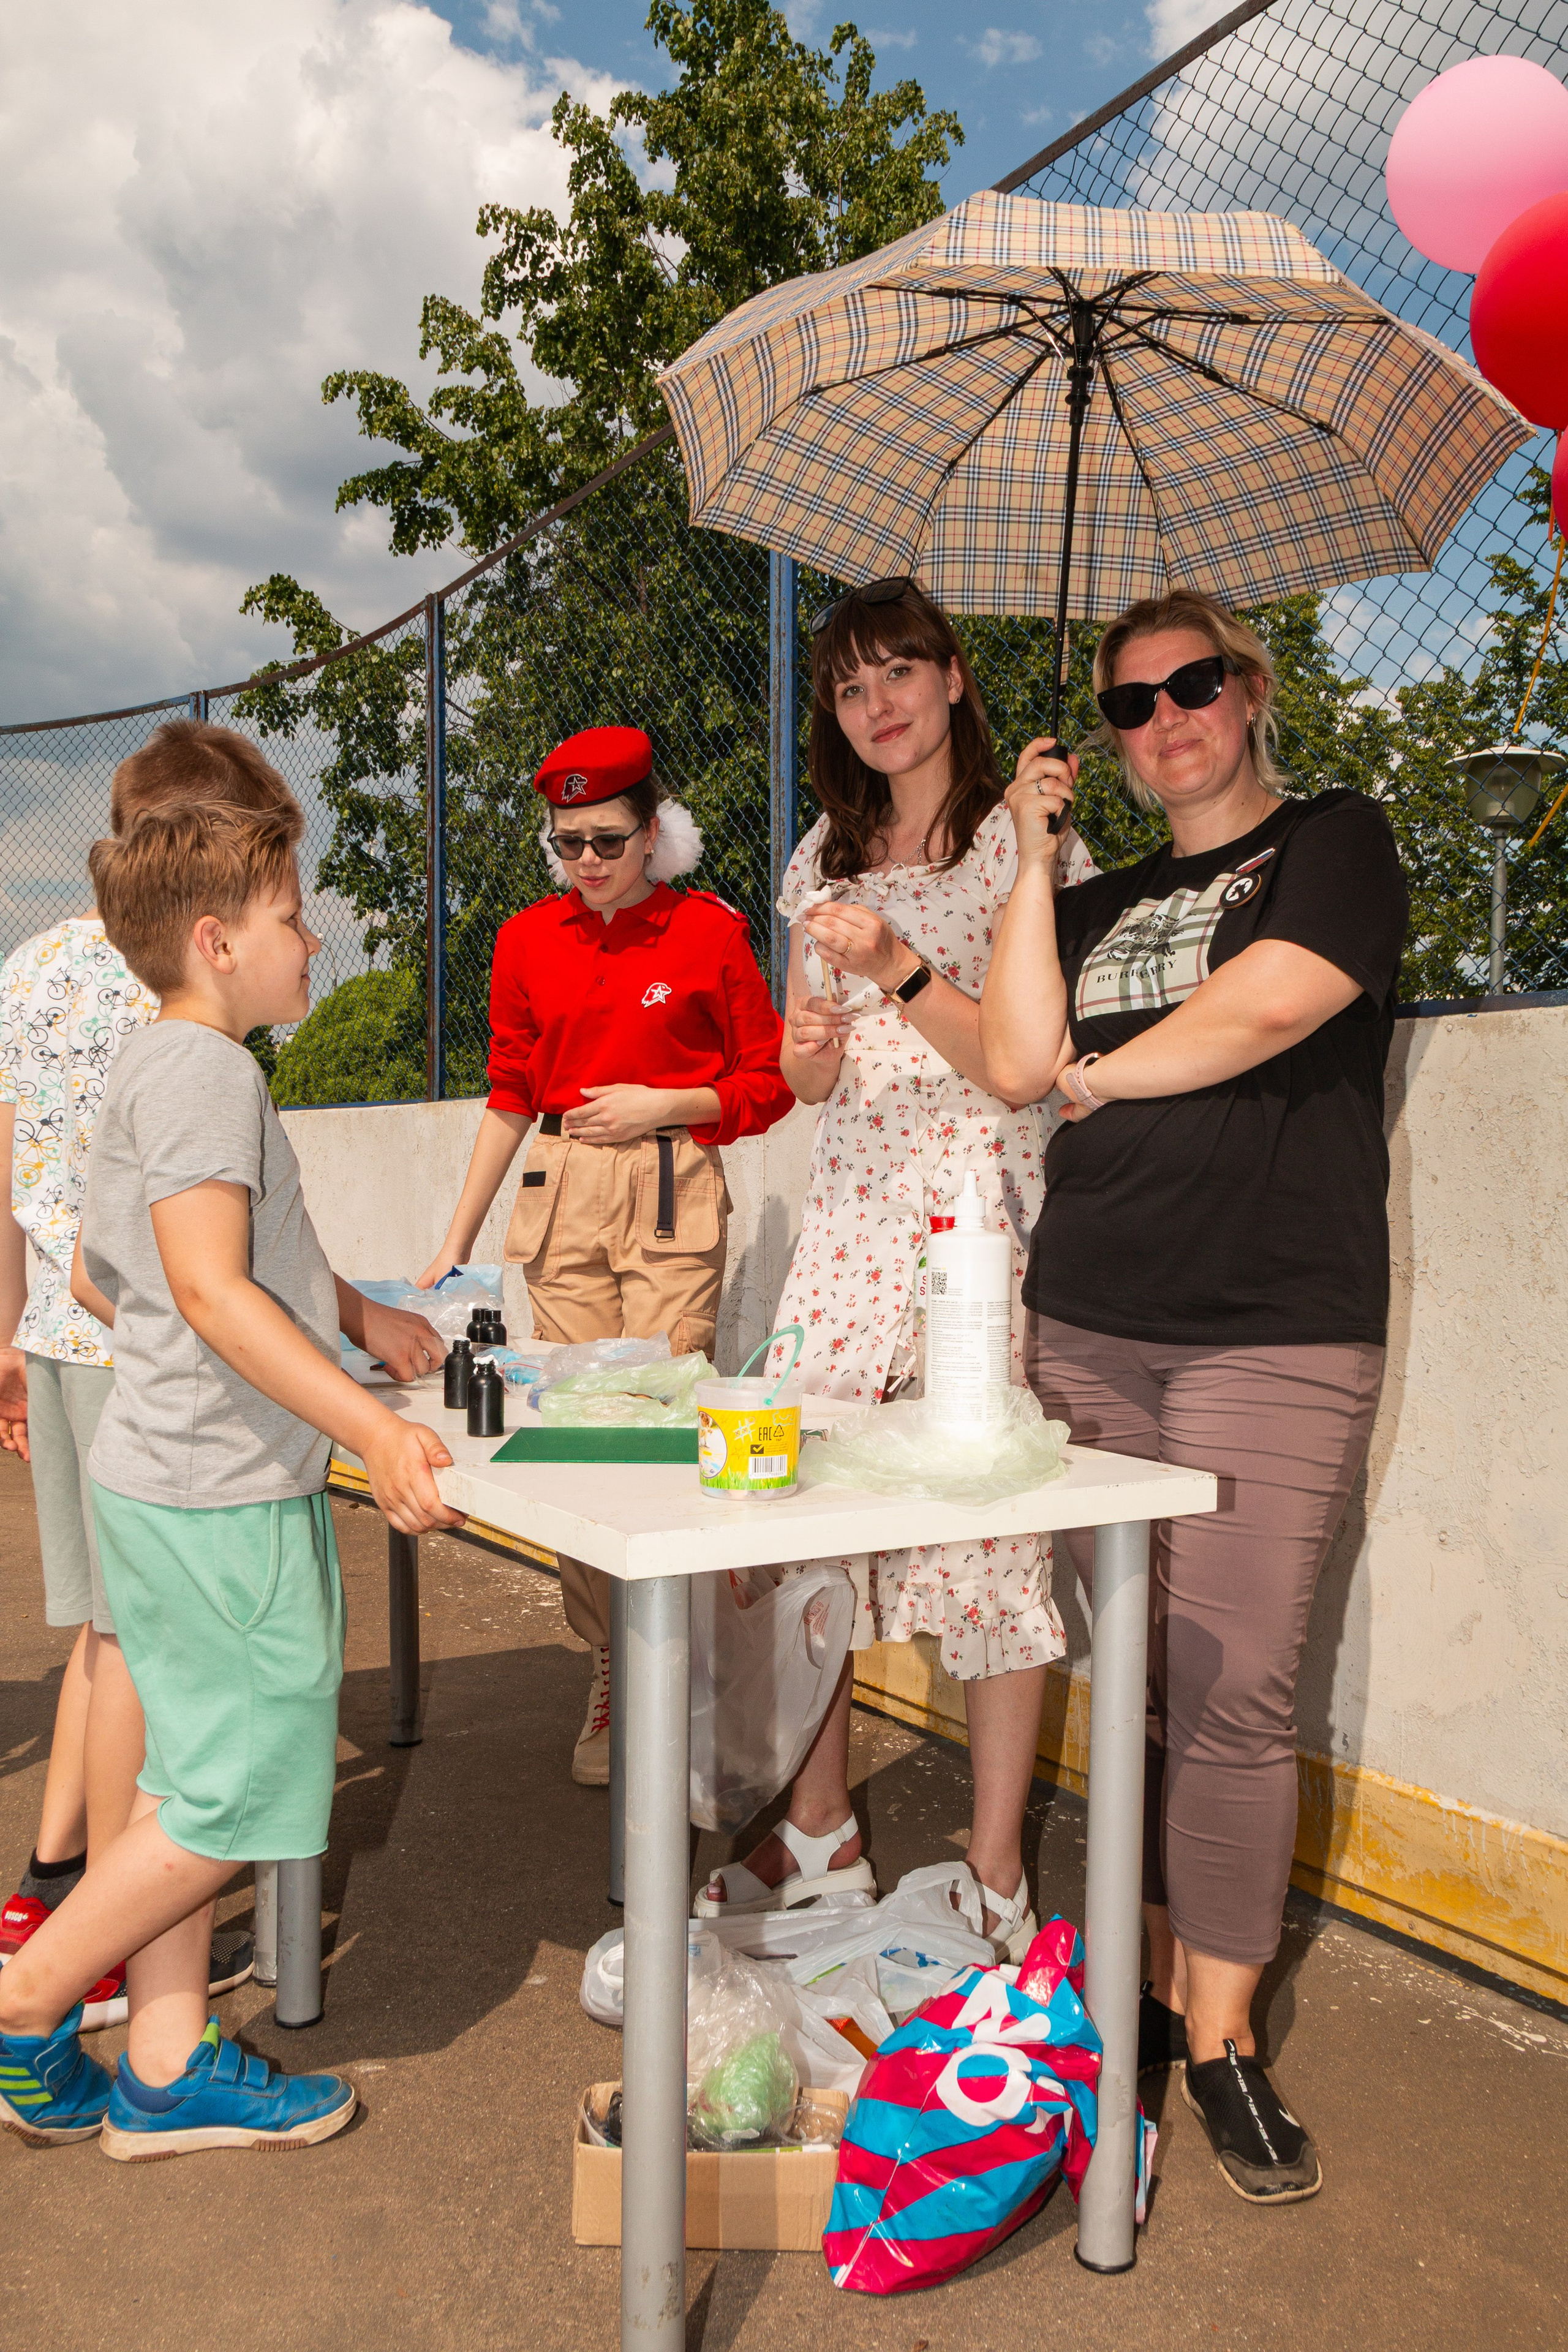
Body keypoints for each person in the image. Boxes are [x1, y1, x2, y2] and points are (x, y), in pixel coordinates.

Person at [981, 587, 1409, 2203]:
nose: (1165, 723)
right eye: (1131, 705)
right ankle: (1141, 1995)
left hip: (1269, 1329)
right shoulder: (1093, 902)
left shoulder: (1335, 837)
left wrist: (1103, 1069)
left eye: (1193, 687)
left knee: (1235, 1690)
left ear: (1250, 688)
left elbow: (1276, 1001)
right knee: (1140, 1681)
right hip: (1089, 1317)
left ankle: (1220, 2033)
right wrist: (1030, 856)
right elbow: (1018, 1059)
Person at [0, 798, 459, 2154]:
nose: (312, 938)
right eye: (289, 915)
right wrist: (370, 1430)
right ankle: (25, 2002)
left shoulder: (150, 1061)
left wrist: (312, 1328)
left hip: (157, 1475)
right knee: (243, 1793)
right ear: (216, 939)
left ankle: (162, 2060)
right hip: (216, 1498)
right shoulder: (211, 1073)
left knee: (185, 1782)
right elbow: (206, 1288)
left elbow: (100, 1272)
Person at [695, 581, 1093, 1957]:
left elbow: (1021, 1067)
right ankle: (822, 1832)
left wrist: (903, 959)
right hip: (850, 1218)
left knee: (987, 1531)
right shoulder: (820, 855)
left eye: (898, 674)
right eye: (851, 686)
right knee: (804, 1529)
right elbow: (811, 1078)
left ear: (954, 678)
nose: (876, 706)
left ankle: (993, 1873)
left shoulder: (1025, 841)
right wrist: (806, 1042)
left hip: (975, 1219)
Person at [416, 725, 795, 1784]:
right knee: (573, 1433)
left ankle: (691, 1664)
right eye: (568, 840)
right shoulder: (525, 940)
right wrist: (455, 1244)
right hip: (559, 1193)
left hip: (675, 1181)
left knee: (669, 1419)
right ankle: (614, 1668)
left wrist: (665, 1104)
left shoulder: (710, 932)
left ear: (656, 829)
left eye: (610, 840)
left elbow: (768, 1085)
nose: (588, 861)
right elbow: (506, 1094)